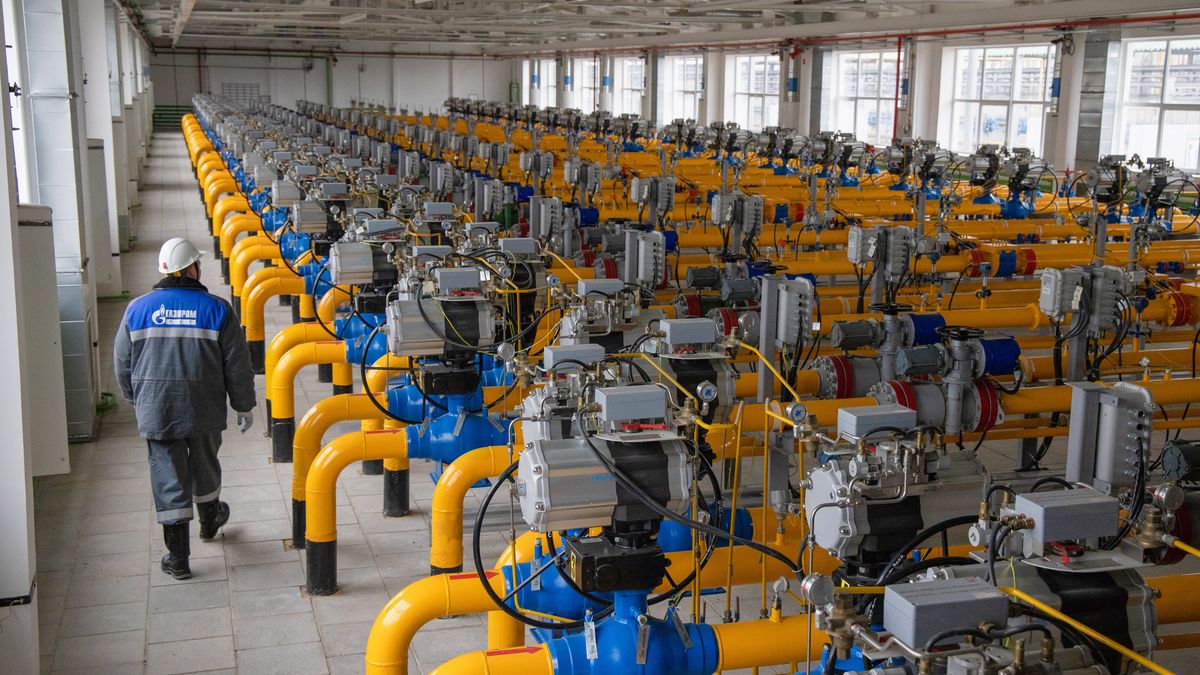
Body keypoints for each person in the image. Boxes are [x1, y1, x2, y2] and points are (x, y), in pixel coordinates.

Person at [114, 237, 256, 580]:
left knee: (167, 475)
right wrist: (243, 406)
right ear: (192, 268)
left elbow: (122, 363)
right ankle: (210, 522)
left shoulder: (137, 309)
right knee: (205, 463)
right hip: (203, 406)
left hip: (156, 409)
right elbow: (237, 366)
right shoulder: (218, 309)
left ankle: (178, 560)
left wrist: (138, 400)